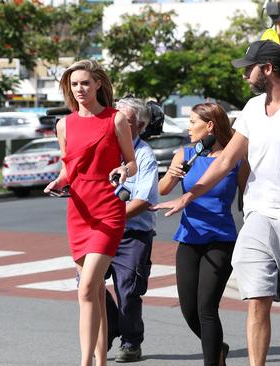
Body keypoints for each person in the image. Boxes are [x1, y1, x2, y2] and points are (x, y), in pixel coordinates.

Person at [154, 40, 280, 366]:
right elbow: (227, 159)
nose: (245, 76)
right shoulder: (251, 109)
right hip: (258, 215)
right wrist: (190, 193)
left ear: (268, 68)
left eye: (249, 69)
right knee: (257, 297)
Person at [44, 59, 137, 366]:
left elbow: (131, 162)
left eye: (85, 83)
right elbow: (68, 166)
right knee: (96, 291)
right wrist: (58, 180)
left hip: (108, 210)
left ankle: (84, 363)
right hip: (79, 211)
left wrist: (124, 171)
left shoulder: (116, 120)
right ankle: (100, 362)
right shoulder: (64, 124)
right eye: (74, 84)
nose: (79, 89)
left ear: (98, 84)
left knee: (85, 289)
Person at [157, 102, 248, 366]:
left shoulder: (235, 158)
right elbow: (163, 190)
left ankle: (214, 360)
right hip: (188, 239)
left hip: (220, 240)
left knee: (207, 308)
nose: (188, 127)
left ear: (209, 125)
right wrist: (171, 174)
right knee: (189, 311)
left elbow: (248, 198)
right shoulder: (185, 154)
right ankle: (219, 348)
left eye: (192, 121)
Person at [104, 97, 159, 362]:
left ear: (139, 125)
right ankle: (112, 325)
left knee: (127, 290)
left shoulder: (144, 155)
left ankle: (131, 343)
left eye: (124, 122)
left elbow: (143, 200)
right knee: (86, 283)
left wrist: (112, 218)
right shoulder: (106, 147)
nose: (117, 126)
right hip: (101, 232)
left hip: (131, 234)